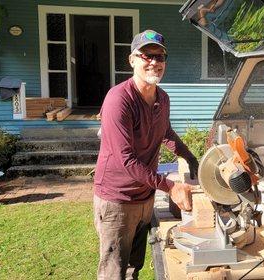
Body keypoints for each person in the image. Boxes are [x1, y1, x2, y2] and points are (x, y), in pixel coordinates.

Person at [93, 30, 199, 280]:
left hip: (145, 196)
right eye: (147, 55)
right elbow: (125, 160)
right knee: (114, 272)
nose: (154, 62)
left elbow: (166, 132)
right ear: (132, 60)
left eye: (160, 56)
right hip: (117, 201)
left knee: (133, 269)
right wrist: (170, 186)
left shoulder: (162, 98)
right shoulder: (119, 99)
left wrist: (191, 158)